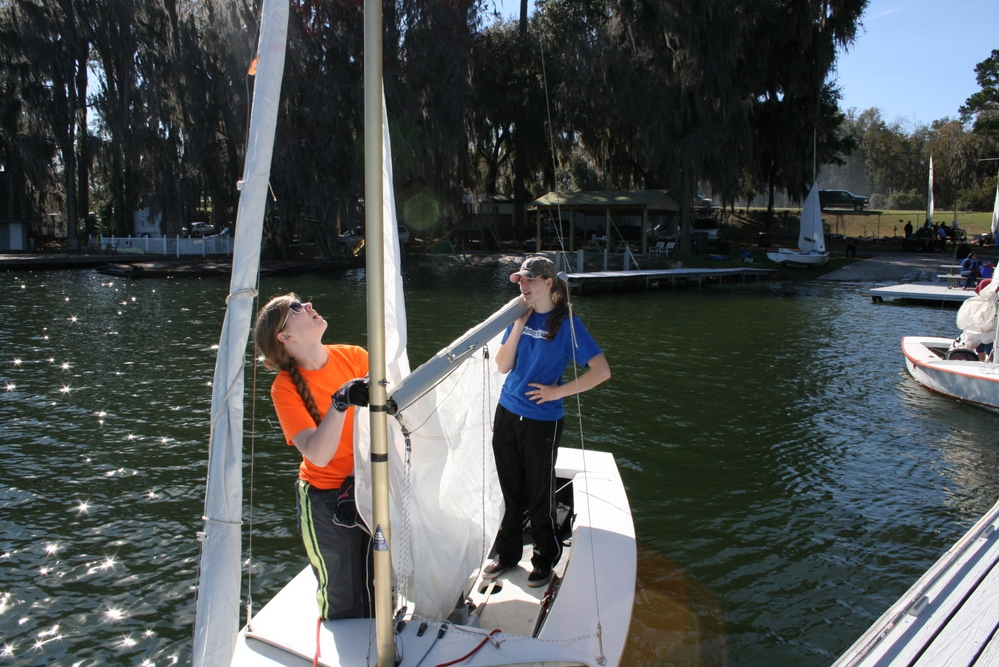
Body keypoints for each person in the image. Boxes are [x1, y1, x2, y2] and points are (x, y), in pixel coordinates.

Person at [482, 257, 612, 588]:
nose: (523, 286)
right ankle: (508, 554)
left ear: (549, 283)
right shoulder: (518, 316)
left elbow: (601, 371)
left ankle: (545, 557)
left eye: (530, 281)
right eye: (520, 281)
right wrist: (519, 326)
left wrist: (558, 392)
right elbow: (502, 366)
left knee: (540, 493)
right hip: (508, 412)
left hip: (542, 420)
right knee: (511, 489)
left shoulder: (567, 323)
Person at [253, 293, 373, 619]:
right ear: (285, 336)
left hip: (372, 486)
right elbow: (318, 456)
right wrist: (340, 401)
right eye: (295, 307)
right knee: (343, 597)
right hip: (327, 499)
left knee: (382, 584)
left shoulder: (355, 356)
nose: (307, 305)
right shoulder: (284, 388)